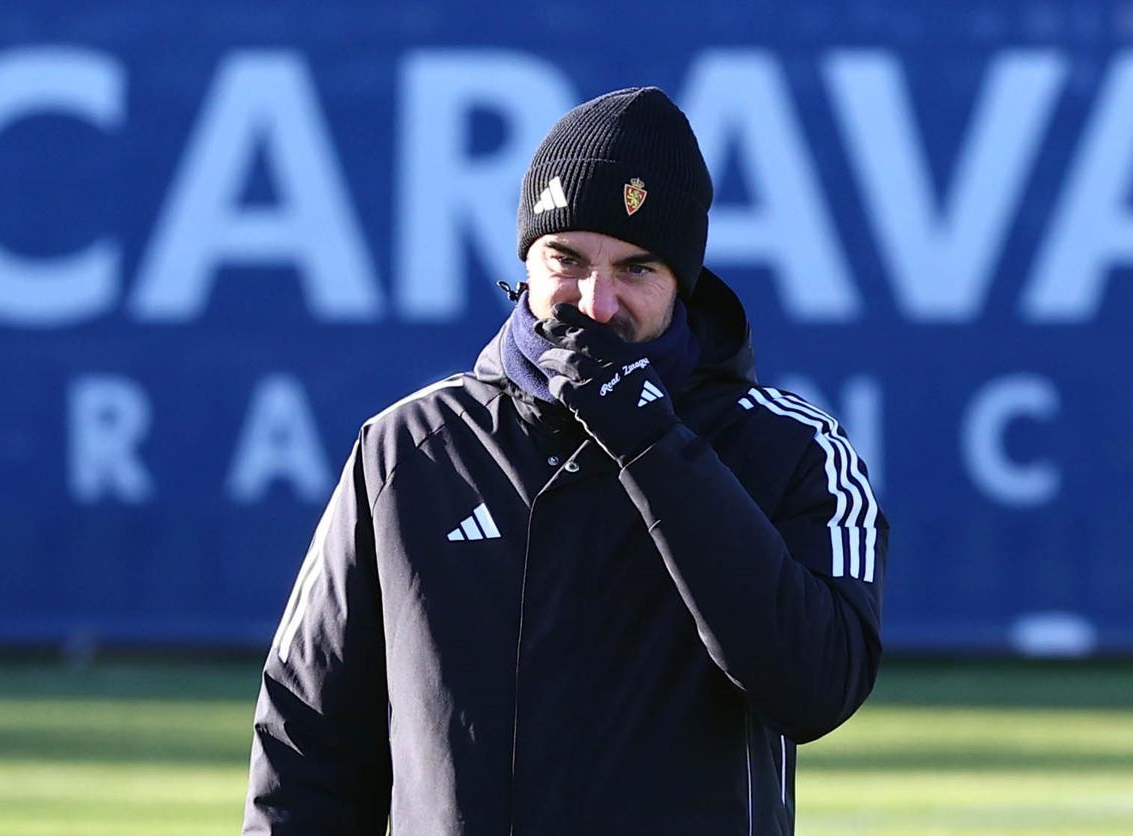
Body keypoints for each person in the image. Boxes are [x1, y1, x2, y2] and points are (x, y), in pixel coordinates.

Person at [243, 86, 888, 836]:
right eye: (567, 258)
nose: (596, 302)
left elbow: (817, 687)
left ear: (683, 280)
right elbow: (306, 736)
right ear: (525, 261)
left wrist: (651, 443)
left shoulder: (788, 448)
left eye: (637, 268)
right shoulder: (408, 449)